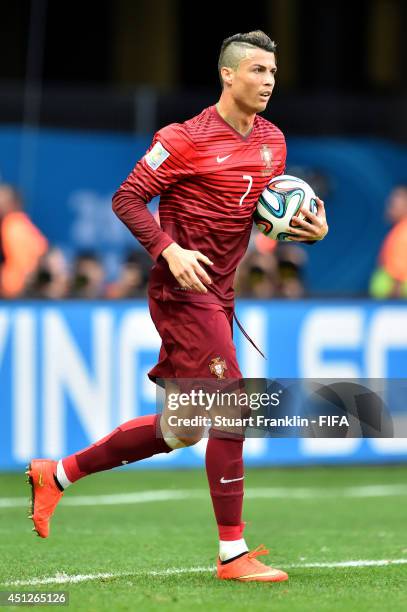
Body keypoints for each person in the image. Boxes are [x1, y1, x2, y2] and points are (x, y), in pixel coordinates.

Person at [27, 31, 328, 582]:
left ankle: (57, 475)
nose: (268, 82)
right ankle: (232, 555)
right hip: (182, 291)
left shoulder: (273, 142)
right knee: (234, 409)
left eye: (273, 73)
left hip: (221, 293)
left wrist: (307, 231)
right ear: (229, 75)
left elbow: (262, 217)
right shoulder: (184, 138)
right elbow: (126, 198)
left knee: (183, 428)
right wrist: (169, 249)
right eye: (258, 71)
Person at [0, 184, 48, 298]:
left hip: (14, 289)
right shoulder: (21, 224)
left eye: (2, 199)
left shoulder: (13, 225)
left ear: (13, 203)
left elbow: (21, 262)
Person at [369, 186, 407, 298]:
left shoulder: (403, 232)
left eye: (396, 201)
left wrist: (394, 307)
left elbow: (398, 274)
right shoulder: (399, 229)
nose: (390, 205)